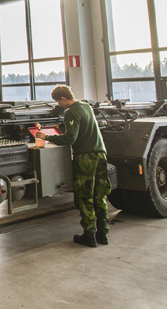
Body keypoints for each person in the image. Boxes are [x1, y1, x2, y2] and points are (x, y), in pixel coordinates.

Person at [36, 85, 111, 247]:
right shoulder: (86, 107)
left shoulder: (71, 112)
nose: (59, 106)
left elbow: (70, 138)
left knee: (85, 196)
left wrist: (47, 138)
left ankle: (89, 235)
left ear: (63, 99)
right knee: (100, 194)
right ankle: (103, 233)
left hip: (85, 157)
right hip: (100, 154)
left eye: (58, 102)